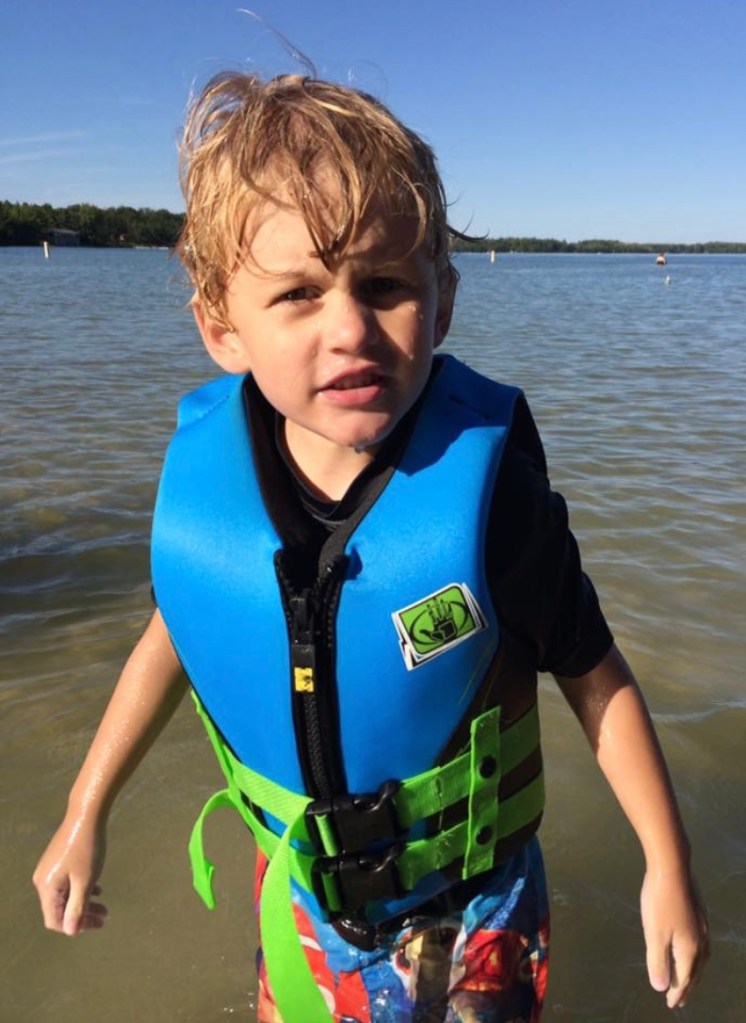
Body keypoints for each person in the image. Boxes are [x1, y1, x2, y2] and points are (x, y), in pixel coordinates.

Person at [33, 71, 709, 1023]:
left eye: (384, 285)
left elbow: (595, 673)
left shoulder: (494, 503)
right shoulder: (215, 492)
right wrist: (83, 811)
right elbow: (176, 634)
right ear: (222, 326)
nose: (349, 328)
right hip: (299, 891)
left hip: (473, 910)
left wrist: (667, 861)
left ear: (442, 303)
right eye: (298, 294)